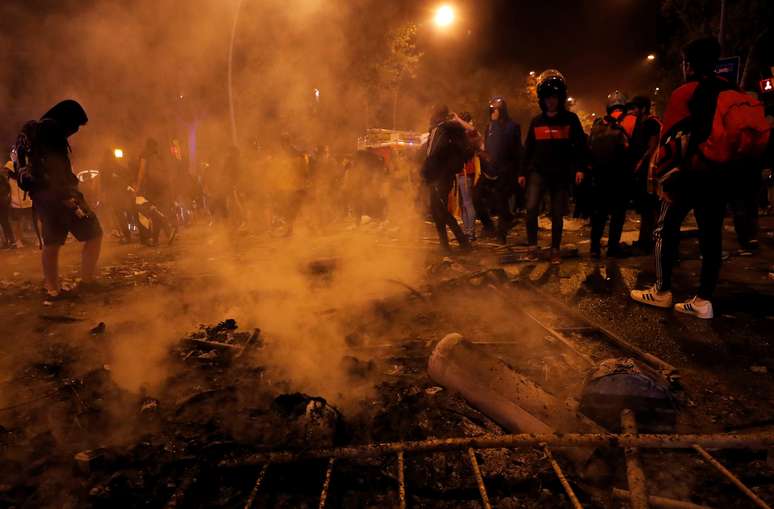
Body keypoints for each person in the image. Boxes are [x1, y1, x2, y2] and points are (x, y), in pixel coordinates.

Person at [630, 37, 770, 319]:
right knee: (711, 235)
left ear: (689, 65)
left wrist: (662, 180)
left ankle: (662, 290)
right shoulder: (731, 89)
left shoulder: (685, 93)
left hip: (689, 176)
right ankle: (704, 300)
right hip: (720, 175)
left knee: (664, 230)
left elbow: (670, 140)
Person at [12, 100, 102, 299]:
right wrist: (67, 195)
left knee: (52, 242)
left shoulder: (36, 132)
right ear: (68, 118)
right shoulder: (52, 129)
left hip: (42, 197)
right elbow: (55, 167)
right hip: (61, 195)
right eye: (76, 124)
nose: (76, 130)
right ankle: (87, 280)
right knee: (95, 233)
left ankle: (52, 289)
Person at [521, 70, 588, 264]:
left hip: (560, 174)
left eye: (554, 97)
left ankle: (555, 250)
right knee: (531, 208)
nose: (551, 101)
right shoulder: (536, 122)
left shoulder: (571, 120)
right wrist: (522, 172)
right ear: (542, 99)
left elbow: (581, 146)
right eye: (547, 97)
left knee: (557, 213)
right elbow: (528, 149)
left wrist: (580, 168)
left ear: (560, 98)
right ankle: (532, 247)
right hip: (538, 172)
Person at [422, 104, 473, 252]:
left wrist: (426, 172)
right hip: (443, 176)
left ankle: (463, 243)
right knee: (436, 210)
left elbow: (434, 154)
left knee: (441, 210)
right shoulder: (446, 129)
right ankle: (445, 245)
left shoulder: (441, 130)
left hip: (439, 176)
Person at [588, 91, 632, 258]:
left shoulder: (597, 125)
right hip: (618, 177)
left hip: (599, 177)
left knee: (599, 214)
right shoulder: (626, 123)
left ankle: (594, 248)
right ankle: (613, 248)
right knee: (618, 214)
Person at [477, 97, 522, 244]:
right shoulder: (489, 126)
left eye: (495, 110)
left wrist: (518, 172)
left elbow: (514, 149)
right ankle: (489, 226)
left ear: (502, 111)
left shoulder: (512, 127)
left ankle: (501, 234)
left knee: (501, 201)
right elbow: (489, 147)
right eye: (491, 110)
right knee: (476, 197)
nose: (493, 112)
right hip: (489, 170)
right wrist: (483, 155)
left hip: (505, 171)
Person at [627, 96, 662, 254]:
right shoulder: (640, 123)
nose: (632, 111)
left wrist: (641, 162)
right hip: (640, 170)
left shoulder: (651, 123)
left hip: (648, 171)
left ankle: (649, 242)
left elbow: (652, 146)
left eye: (635, 108)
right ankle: (645, 240)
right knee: (645, 207)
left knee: (649, 207)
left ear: (643, 108)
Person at [135, 138, 176, 245]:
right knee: (157, 210)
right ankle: (157, 238)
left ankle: (167, 230)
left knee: (152, 210)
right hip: (162, 187)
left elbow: (142, 171)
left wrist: (138, 187)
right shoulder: (158, 156)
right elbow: (167, 172)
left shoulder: (145, 154)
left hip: (151, 187)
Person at [455, 112, 482, 241]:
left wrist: (458, 120)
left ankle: (470, 232)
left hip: (467, 172)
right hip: (461, 172)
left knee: (467, 202)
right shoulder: (462, 135)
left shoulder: (470, 135)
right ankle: (467, 231)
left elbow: (473, 130)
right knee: (464, 204)